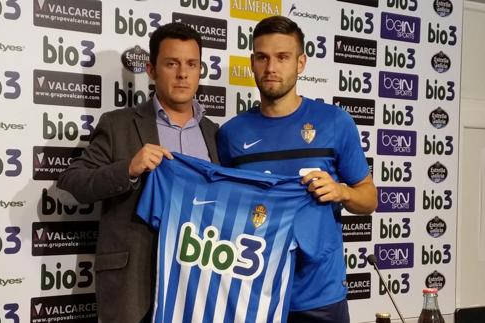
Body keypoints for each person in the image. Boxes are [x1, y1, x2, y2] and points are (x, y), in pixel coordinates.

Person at [216, 16, 377, 323]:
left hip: (319, 294)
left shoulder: (335, 122)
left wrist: (341, 191)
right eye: (262, 57)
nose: (271, 67)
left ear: (301, 63)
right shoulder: (230, 134)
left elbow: (369, 199)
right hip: (252, 292)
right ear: (252, 62)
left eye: (282, 57)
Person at [57, 23, 219, 323]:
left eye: (191, 64)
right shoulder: (118, 124)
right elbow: (74, 181)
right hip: (135, 285)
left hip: (198, 284)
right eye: (172, 63)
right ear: (152, 70)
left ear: (200, 70)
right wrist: (128, 169)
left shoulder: (214, 133)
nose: (183, 74)